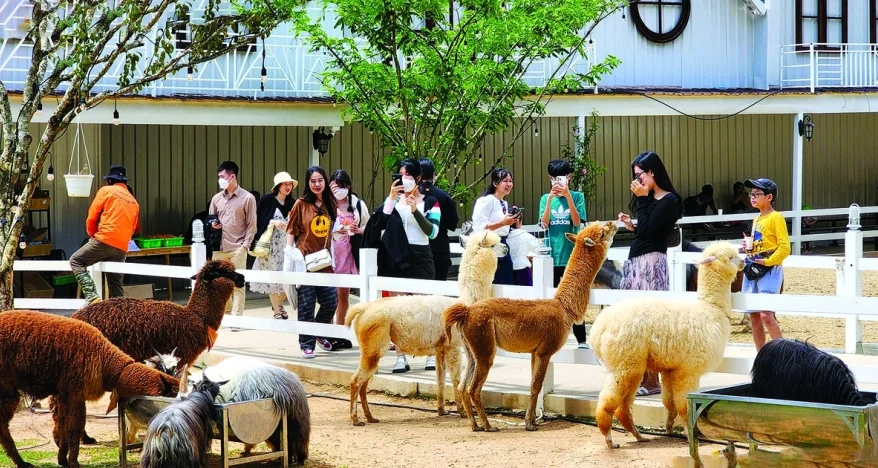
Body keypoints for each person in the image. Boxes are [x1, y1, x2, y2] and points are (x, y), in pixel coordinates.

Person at [362, 159, 442, 373]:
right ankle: (400, 356)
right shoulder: (393, 203)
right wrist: (391, 197)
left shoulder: (431, 201)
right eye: (400, 175)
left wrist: (415, 210)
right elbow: (379, 223)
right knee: (398, 310)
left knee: (425, 308)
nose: (402, 179)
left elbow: (432, 232)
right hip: (396, 257)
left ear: (417, 178)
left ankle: (430, 354)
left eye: (407, 175)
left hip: (421, 255)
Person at [617, 151, 683, 395]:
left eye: (640, 175)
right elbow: (644, 231)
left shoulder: (670, 200)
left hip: (652, 262)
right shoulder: (652, 198)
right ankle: (642, 375)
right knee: (634, 321)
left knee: (649, 321)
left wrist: (643, 200)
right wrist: (631, 225)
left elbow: (650, 231)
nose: (638, 180)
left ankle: (652, 379)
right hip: (638, 259)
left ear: (652, 172)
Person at [286, 166, 339, 359]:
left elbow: (333, 228)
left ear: (325, 181)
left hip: (325, 261)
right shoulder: (301, 204)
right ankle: (306, 344)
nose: (317, 184)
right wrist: (289, 251)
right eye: (313, 181)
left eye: (320, 180)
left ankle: (317, 330)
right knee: (306, 305)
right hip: (305, 261)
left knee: (331, 301)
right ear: (308, 183)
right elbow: (291, 230)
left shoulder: (330, 203)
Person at [70, 165, 139, 304]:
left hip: (104, 239)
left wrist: (92, 234)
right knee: (115, 283)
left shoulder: (106, 191)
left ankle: (91, 296)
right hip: (121, 247)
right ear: (125, 182)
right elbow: (133, 228)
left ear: (109, 180)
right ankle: (120, 314)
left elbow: (92, 216)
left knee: (76, 261)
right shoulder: (134, 202)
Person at [538, 159, 588, 348]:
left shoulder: (577, 196)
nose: (558, 181)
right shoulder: (545, 198)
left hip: (572, 256)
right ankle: (551, 337)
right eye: (554, 178)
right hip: (552, 256)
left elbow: (577, 222)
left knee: (574, 296)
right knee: (552, 300)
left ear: (569, 177)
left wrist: (568, 197)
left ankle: (581, 340)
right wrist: (550, 199)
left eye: (562, 177)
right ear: (550, 178)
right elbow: (543, 224)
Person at [742, 178, 789, 351]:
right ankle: (761, 355)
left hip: (769, 270)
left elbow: (784, 247)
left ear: (769, 197)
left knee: (766, 315)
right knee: (754, 315)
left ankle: (782, 353)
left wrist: (768, 261)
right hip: (754, 267)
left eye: (757, 194)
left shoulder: (776, 218)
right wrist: (749, 247)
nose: (753, 197)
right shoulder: (757, 220)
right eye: (751, 194)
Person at [209, 161, 257, 317]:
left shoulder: (247, 198)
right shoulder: (216, 199)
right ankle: (225, 313)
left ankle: (237, 318)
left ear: (232, 176)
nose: (220, 180)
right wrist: (212, 224)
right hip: (219, 248)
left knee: (238, 284)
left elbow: (252, 224)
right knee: (218, 284)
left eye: (222, 177)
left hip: (238, 247)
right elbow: (209, 219)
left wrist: (245, 246)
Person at [329, 169, 369, 348]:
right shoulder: (325, 204)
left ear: (349, 187)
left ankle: (340, 333)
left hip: (349, 253)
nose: (339, 190)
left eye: (342, 186)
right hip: (329, 254)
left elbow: (369, 228)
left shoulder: (358, 205)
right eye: (335, 186)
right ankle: (326, 333)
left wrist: (357, 230)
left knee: (342, 294)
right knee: (327, 295)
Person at [250, 172, 297, 320]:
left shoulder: (293, 203)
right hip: (270, 247)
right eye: (285, 184)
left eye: (289, 184)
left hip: (287, 246)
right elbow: (259, 220)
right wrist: (273, 222)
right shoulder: (267, 200)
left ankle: (279, 303)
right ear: (278, 186)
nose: (288, 187)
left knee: (289, 279)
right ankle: (277, 310)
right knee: (271, 279)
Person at [472, 168, 518, 285]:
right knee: (496, 281)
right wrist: (503, 222)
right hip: (489, 245)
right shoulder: (486, 201)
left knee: (506, 279)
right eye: (505, 181)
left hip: (503, 243)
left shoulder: (504, 203)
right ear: (495, 183)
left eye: (510, 181)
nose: (509, 184)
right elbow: (478, 227)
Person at [419, 158, 459, 281]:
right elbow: (453, 222)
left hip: (417, 248)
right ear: (433, 175)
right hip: (439, 247)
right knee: (439, 288)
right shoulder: (444, 196)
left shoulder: (410, 196)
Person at [506, 213, 539, 286]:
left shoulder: (504, 238)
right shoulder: (525, 236)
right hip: (523, 268)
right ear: (518, 222)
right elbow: (539, 248)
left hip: (508, 270)